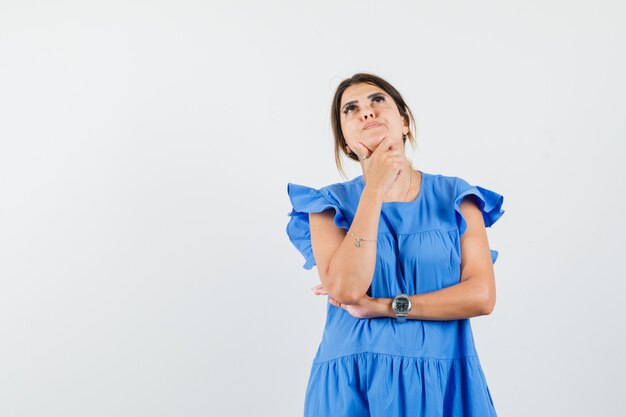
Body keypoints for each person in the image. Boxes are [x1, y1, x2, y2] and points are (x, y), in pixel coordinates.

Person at [286, 73, 505, 416]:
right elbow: (346, 288)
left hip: (445, 379)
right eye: (351, 109)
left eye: (377, 101)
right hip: (355, 384)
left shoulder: (456, 197)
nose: (366, 112)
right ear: (345, 141)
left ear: (403, 121)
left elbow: (482, 296)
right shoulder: (327, 204)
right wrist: (374, 188)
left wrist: (385, 306)